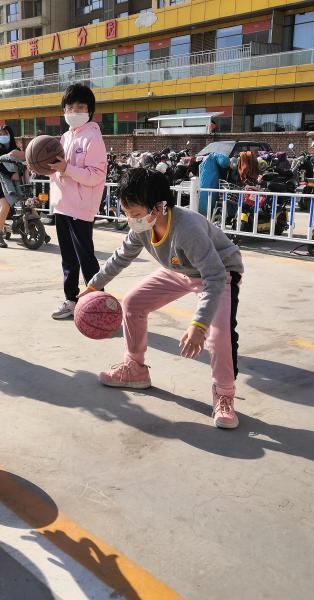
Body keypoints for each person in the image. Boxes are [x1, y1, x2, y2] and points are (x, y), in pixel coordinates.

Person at [83, 168, 245, 429]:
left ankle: (224, 395)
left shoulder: (187, 228)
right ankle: (135, 368)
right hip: (180, 270)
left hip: (220, 273)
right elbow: (121, 256)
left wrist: (198, 325)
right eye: (127, 213)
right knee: (134, 302)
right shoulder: (142, 226)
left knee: (218, 334)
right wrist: (93, 286)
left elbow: (214, 275)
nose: (131, 220)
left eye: (135, 214)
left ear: (158, 207)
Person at [48, 84, 106, 319]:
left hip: (80, 209)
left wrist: (66, 168)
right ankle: (71, 300)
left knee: (86, 260)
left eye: (80, 107)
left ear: (89, 111)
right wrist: (43, 167)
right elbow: (57, 170)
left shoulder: (92, 137)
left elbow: (95, 176)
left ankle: (99, 303)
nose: (74, 111)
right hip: (62, 206)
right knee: (68, 259)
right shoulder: (65, 137)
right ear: (64, 110)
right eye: (70, 107)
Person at [0, 125, 21, 248]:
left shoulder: (16, 149)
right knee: (5, 207)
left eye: (5, 133)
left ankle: (38, 228)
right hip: (1, 184)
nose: (3, 136)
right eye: (1, 134)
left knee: (28, 204)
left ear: (10, 135)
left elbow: (22, 163)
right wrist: (11, 174)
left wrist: (18, 173)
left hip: (17, 183)